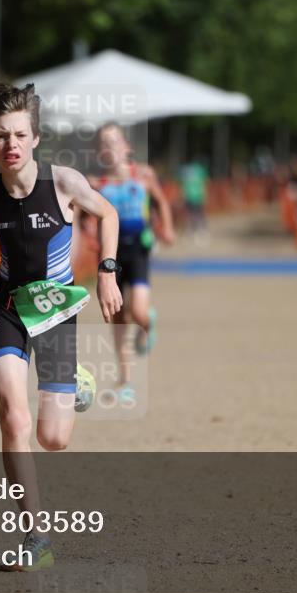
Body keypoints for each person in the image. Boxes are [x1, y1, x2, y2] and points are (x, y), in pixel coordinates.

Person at [0, 83, 122, 571]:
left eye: (19, 134)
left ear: (35, 138)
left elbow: (109, 214)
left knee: (53, 438)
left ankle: (78, 379)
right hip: (10, 310)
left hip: (57, 312)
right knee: (12, 417)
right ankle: (36, 539)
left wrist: (106, 273)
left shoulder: (64, 184)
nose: (10, 144)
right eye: (0, 136)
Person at [91, 122, 175, 403]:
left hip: (138, 250)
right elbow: (82, 217)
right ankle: (125, 378)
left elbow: (161, 201)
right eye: (104, 143)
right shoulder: (97, 184)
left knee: (138, 312)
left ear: (127, 147)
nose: (110, 147)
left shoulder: (143, 175)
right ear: (100, 152)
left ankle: (147, 324)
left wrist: (167, 227)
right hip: (111, 256)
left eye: (114, 141)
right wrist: (87, 236)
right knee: (118, 319)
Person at [179, 158, 209, 242]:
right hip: (192, 197)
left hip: (196, 197)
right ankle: (193, 232)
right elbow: (184, 186)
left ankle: (199, 232)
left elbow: (202, 184)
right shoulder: (194, 171)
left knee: (196, 215)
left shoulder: (187, 171)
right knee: (193, 216)